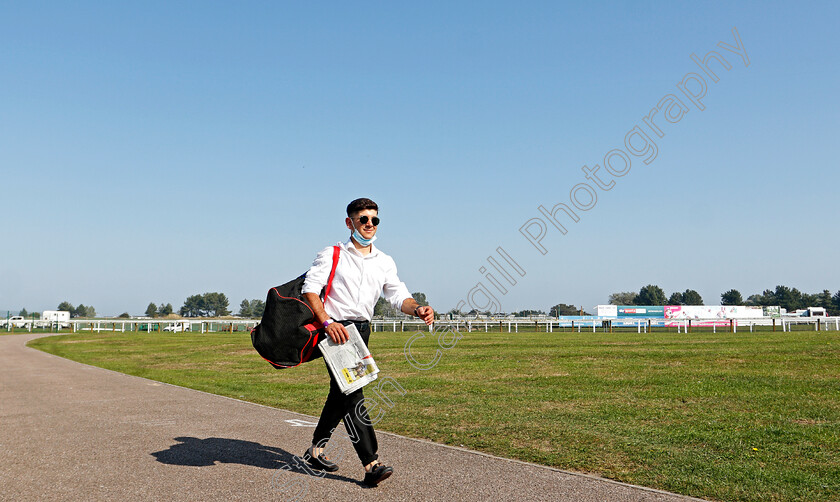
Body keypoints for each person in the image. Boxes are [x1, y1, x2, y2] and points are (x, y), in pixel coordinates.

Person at [300, 197, 435, 487]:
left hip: (362, 331)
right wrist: (327, 322)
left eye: (375, 220)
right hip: (336, 331)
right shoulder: (332, 253)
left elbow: (399, 296)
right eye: (363, 219)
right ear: (349, 223)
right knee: (353, 394)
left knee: (341, 393)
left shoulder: (384, 261)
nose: (370, 225)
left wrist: (418, 308)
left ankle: (314, 451)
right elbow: (310, 291)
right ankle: (371, 464)